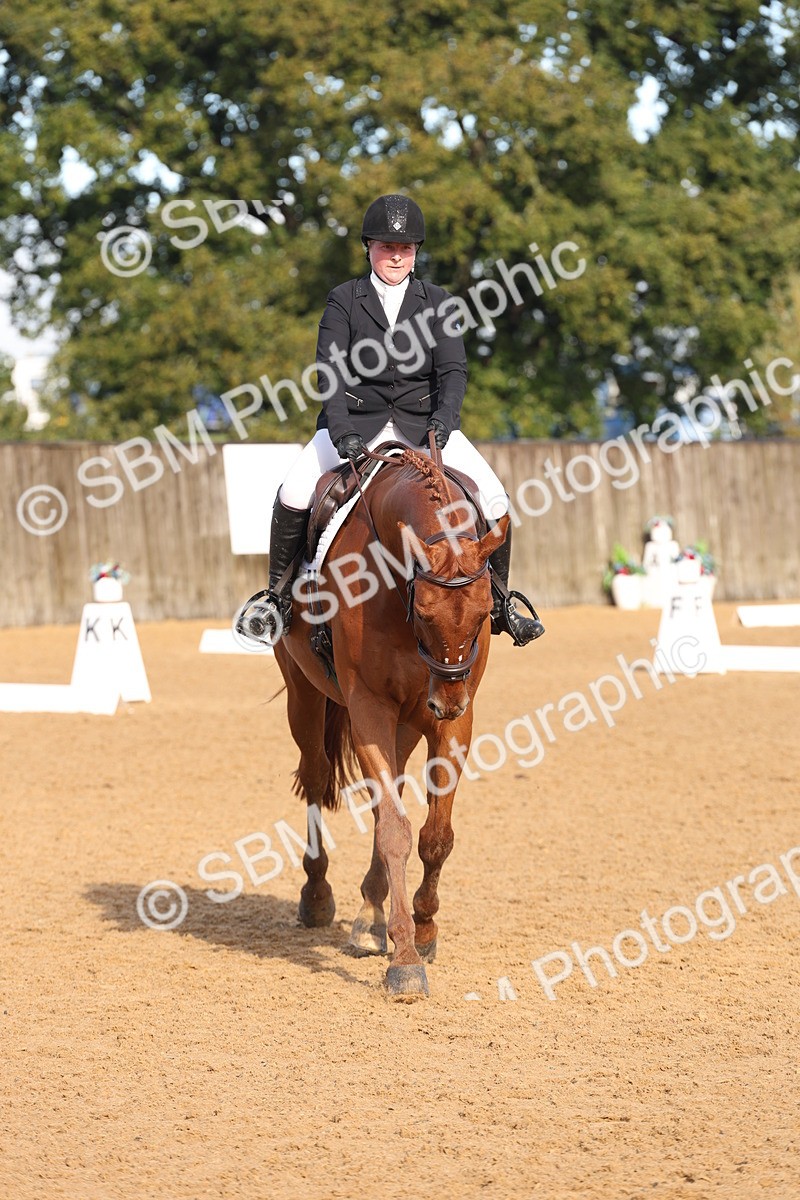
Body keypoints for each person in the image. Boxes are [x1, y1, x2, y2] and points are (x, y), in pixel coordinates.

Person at [261, 193, 544, 646]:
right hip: (356, 424)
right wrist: (342, 433)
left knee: (493, 499)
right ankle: (274, 599)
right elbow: (330, 372)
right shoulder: (343, 301)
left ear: (416, 252)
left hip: (424, 426)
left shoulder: (438, 301)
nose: (396, 255)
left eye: (406, 248)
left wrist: (445, 420)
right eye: (387, 247)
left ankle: (501, 600)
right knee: (294, 492)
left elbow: (453, 370)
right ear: (368, 247)